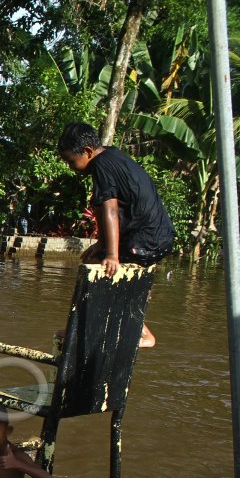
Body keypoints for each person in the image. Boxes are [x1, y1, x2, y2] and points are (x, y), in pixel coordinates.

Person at [56, 122, 175, 348]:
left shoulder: (101, 165)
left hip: (146, 239)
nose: (70, 166)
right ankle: (83, 326)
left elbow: (110, 209)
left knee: (103, 272)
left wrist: (111, 254)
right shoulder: (110, 155)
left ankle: (141, 334)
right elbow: (103, 207)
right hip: (155, 236)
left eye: (71, 161)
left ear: (88, 152)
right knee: (97, 266)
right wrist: (102, 243)